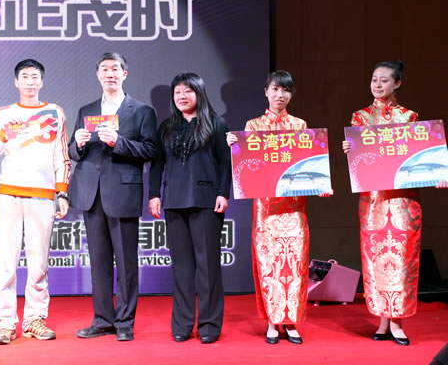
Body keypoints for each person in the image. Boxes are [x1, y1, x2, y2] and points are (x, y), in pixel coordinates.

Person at [342, 61, 445, 345]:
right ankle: (382, 320)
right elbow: (361, 161)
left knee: (401, 260)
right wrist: (350, 148)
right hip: (374, 201)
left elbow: (421, 155)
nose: (377, 85)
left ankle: (397, 322)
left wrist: (438, 173)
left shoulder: (410, 117)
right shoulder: (361, 117)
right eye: (374, 79)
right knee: (377, 259)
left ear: (397, 83)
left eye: (384, 80)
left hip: (403, 201)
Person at [227, 70, 329, 345]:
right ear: (266, 92)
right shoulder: (253, 126)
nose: (279, 95)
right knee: (270, 264)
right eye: (275, 89)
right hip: (267, 208)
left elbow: (308, 162)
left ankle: (291, 322)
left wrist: (320, 183)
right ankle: (273, 322)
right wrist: (235, 146)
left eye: (285, 90)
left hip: (294, 207)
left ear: (291, 94)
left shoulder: (299, 124)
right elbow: (247, 166)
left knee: (294, 264)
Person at [69, 53, 157, 342]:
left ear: (124, 74)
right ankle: (103, 319)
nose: (110, 74)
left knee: (126, 262)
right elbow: (72, 152)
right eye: (105, 69)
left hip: (123, 193)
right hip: (91, 194)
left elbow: (150, 151)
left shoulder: (141, 111)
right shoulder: (86, 110)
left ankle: (125, 321)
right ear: (98, 75)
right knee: (99, 262)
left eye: (115, 69)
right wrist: (78, 144)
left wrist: (119, 143)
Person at [0, 59, 71, 345]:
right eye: (25, 77)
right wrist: (6, 131)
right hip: (8, 195)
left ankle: (34, 319)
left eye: (35, 77)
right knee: (6, 263)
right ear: (16, 81)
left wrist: (62, 192)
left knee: (38, 263)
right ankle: (5, 323)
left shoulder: (55, 112)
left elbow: (61, 155)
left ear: (42, 82)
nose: (30, 82)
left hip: (42, 196)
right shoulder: (4, 113)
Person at [148, 73, 231, 344]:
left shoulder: (215, 124)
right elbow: (157, 164)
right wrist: (154, 194)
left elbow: (225, 162)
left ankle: (209, 325)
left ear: (199, 93)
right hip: (173, 201)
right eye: (177, 92)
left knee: (208, 267)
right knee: (182, 268)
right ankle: (182, 323)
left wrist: (223, 193)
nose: (182, 97)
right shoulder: (166, 127)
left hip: (206, 201)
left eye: (188, 91)